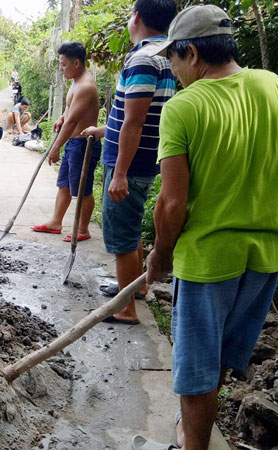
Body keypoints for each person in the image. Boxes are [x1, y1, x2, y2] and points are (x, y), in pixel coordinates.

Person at [136, 5, 278, 450]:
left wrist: (160, 253)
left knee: (194, 374)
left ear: (191, 53)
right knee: (220, 361)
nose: (172, 70)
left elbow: (171, 204)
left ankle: (189, 445)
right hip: (265, 258)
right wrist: (273, 191)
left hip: (210, 260)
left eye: (173, 59)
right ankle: (190, 428)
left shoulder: (185, 107)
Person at [82, 0, 177, 323]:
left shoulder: (142, 59)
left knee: (122, 235)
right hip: (146, 159)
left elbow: (134, 122)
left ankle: (125, 309)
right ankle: (135, 289)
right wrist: (102, 129)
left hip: (131, 164)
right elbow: (137, 116)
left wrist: (119, 172)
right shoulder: (164, 58)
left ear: (136, 17)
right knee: (131, 227)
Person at [30, 42, 100, 243]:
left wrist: (55, 146)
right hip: (73, 143)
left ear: (76, 63)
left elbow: (73, 122)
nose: (61, 69)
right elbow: (70, 112)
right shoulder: (76, 80)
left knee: (82, 189)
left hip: (83, 145)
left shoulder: (86, 85)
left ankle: (83, 229)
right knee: (64, 186)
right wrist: (61, 116)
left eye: (63, 65)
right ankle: (55, 222)